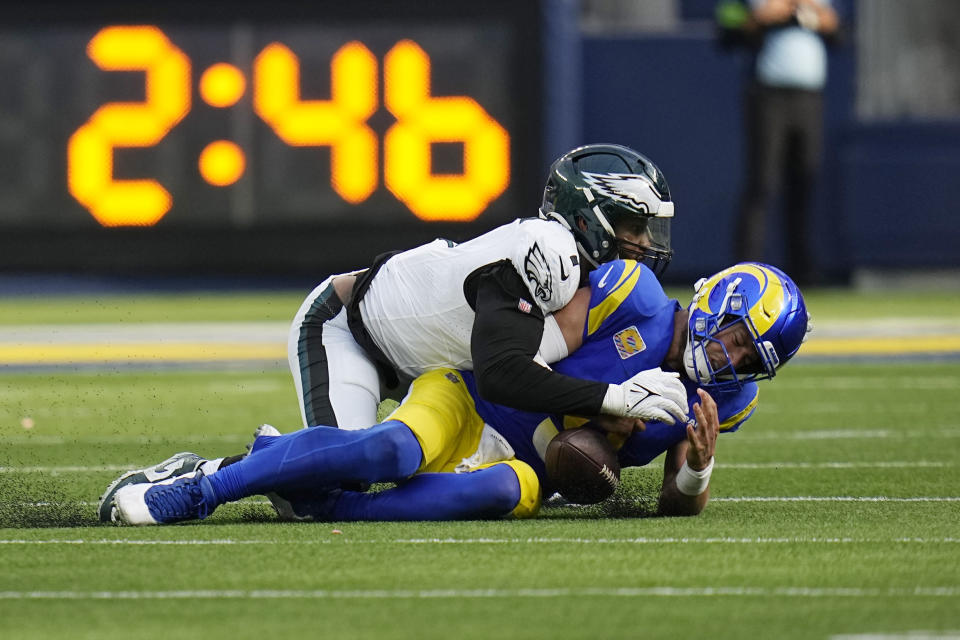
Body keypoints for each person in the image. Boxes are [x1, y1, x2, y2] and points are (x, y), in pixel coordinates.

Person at [106, 261, 809, 525]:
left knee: (496, 496)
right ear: (719, 297)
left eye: (750, 356)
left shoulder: (725, 401)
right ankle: (203, 488)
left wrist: (695, 469)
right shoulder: (637, 296)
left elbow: (669, 508)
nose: (731, 356)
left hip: (534, 467)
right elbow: (524, 359)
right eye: (739, 335)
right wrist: (607, 399)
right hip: (476, 398)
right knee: (387, 450)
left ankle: (317, 493)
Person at [721, 0, 840, 285]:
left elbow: (834, 28)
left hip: (809, 97)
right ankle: (744, 270)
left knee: (804, 182)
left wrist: (806, 11)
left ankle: (802, 271)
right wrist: (767, 16)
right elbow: (731, 27)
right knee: (763, 183)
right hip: (769, 96)